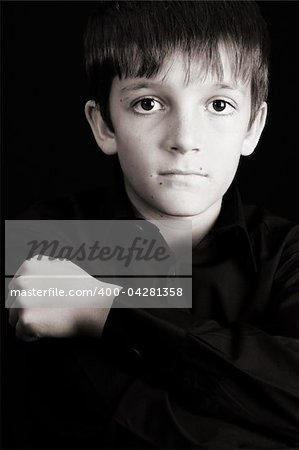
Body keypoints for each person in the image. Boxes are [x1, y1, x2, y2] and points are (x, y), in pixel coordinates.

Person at [6, 1, 299, 448]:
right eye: (148, 103)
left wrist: (103, 310)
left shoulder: (288, 253)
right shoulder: (48, 242)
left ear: (252, 128)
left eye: (218, 104)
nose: (184, 139)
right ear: (104, 124)